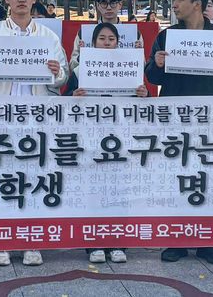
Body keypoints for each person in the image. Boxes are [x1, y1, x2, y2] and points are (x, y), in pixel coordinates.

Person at [0, 0, 69, 267]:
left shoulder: (48, 37)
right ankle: (0, 242)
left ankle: (31, 242)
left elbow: (62, 75)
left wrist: (55, 71)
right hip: (1, 114)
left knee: (32, 179)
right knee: (1, 177)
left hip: (35, 115)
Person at [145, 0, 213, 265]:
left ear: (197, 4)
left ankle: (208, 242)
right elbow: (152, 76)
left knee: (209, 177)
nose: (173, 4)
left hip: (211, 118)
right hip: (174, 118)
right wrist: (157, 64)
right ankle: (176, 239)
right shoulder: (166, 36)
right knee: (176, 177)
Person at [63, 22, 145, 264]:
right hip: (91, 138)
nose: (107, 43)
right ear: (93, 43)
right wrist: (73, 96)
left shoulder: (131, 68)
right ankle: (94, 243)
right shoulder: (80, 71)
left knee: (120, 190)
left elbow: (145, 104)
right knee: (93, 191)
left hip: (121, 138)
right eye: (102, 39)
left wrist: (144, 95)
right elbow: (65, 101)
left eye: (111, 39)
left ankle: (118, 241)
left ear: (118, 42)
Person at [69, 0, 143, 71]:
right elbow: (72, 66)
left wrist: (138, 53)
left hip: (123, 81)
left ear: (120, 4)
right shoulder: (84, 33)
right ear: (98, 5)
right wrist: (81, 56)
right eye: (104, 3)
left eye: (113, 3)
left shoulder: (133, 34)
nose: (108, 8)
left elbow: (142, 68)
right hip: (93, 81)